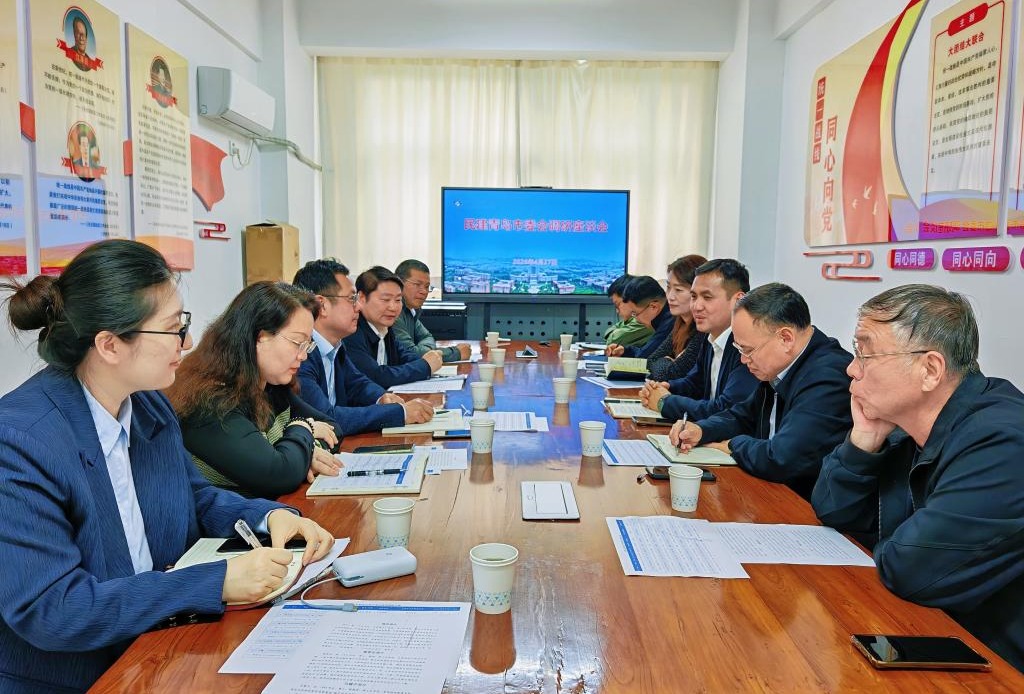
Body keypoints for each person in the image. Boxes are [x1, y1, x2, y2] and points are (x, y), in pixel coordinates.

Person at [0, 240, 333, 693]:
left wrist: (267, 515)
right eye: (174, 329)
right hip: (80, 677)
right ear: (110, 345)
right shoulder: (21, 440)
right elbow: (54, 609)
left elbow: (192, 495)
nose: (188, 342)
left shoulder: (147, 405)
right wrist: (217, 582)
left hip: (160, 647)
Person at [812, 285, 1024, 671]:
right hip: (930, 633)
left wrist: (888, 545)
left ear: (930, 370)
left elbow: (910, 570)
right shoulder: (905, 425)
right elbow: (832, 510)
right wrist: (863, 441)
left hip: (996, 664)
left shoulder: (1003, 442)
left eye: (865, 353)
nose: (852, 369)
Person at [670, 282, 852, 499]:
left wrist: (733, 445)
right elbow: (743, 416)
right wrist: (701, 430)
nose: (743, 359)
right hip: (773, 492)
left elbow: (782, 458)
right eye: (739, 349)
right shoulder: (781, 365)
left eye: (748, 350)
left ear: (786, 338)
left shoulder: (828, 377)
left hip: (802, 504)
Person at [167, 282, 343, 499]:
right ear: (259, 337)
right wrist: (303, 427)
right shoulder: (209, 401)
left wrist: (304, 455)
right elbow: (278, 474)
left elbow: (333, 428)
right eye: (297, 342)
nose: (303, 355)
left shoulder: (271, 384)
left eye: (307, 345)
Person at [292, 259, 434, 434]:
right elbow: (325, 417)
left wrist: (381, 397)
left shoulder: (335, 345)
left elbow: (356, 383)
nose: (359, 306)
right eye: (352, 298)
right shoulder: (301, 353)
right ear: (322, 306)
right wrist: (400, 413)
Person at [641, 258, 757, 421]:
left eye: (707, 297)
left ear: (737, 301)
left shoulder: (747, 346)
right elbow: (695, 384)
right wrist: (666, 387)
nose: (696, 306)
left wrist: (665, 402)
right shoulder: (710, 337)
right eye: (694, 297)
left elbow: (726, 409)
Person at [343, 266, 444, 388]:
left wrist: (428, 360)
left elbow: (405, 356)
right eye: (385, 300)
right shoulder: (351, 332)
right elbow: (376, 377)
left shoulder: (384, 328)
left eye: (398, 300)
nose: (393, 307)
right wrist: (425, 366)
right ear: (362, 298)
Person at [393, 259, 472, 363]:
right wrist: (456, 353)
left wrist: (423, 350)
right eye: (417, 284)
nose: (424, 291)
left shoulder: (412, 310)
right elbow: (412, 355)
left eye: (427, 287)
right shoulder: (393, 313)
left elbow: (427, 337)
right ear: (399, 283)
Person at [645, 254, 707, 382]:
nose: (670, 296)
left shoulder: (703, 330)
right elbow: (651, 361)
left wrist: (666, 362)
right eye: (668, 288)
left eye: (678, 290)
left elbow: (672, 374)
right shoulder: (680, 323)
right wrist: (669, 362)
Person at [604, 276, 672, 359]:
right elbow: (645, 351)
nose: (635, 319)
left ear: (653, 307)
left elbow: (646, 356)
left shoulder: (668, 323)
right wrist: (624, 350)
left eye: (635, 313)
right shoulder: (661, 318)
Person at [603, 274, 654, 347]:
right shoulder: (632, 319)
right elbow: (614, 329)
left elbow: (613, 341)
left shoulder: (644, 319)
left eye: (617, 305)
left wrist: (614, 333)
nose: (617, 311)